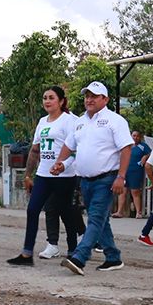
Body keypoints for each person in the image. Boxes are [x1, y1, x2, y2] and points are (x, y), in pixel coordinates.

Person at [51, 81, 131, 275]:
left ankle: (79, 257)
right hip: (85, 181)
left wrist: (121, 177)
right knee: (101, 220)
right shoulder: (79, 122)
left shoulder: (115, 120)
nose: (89, 99)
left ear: (105, 99)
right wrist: (60, 162)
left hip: (107, 179)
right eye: (87, 96)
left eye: (94, 96)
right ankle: (113, 257)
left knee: (95, 219)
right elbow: (69, 146)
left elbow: (126, 148)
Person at [9, 86, 78, 265]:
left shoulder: (69, 121)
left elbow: (75, 150)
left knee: (65, 212)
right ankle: (26, 253)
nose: (47, 101)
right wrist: (27, 175)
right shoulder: (42, 121)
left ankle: (73, 250)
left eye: (51, 98)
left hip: (64, 176)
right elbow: (34, 150)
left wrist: (63, 164)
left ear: (61, 101)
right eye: (45, 98)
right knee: (32, 210)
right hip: (43, 174)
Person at [114, 130, 150, 218]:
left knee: (135, 191)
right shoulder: (127, 145)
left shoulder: (143, 146)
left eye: (137, 136)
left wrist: (145, 157)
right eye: (134, 136)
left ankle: (139, 212)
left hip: (136, 171)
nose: (135, 138)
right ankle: (119, 212)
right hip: (125, 171)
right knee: (122, 191)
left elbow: (150, 153)